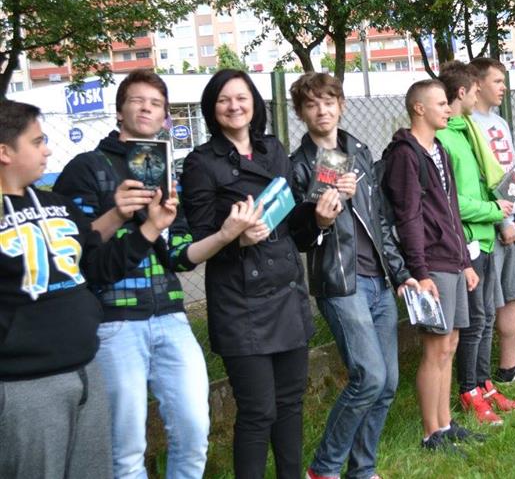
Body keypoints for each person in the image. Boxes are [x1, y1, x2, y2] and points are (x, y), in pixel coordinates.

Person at [54, 70, 219, 479]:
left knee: (194, 432)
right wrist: (119, 212)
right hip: (114, 321)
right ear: (118, 111)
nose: (146, 108)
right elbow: (72, 249)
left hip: (171, 314)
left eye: (156, 103)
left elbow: (179, 252)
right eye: (137, 100)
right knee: (126, 450)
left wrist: (219, 233)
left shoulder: (166, 172)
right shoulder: (86, 167)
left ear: (165, 118)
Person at [0, 100, 177, 479]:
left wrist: (150, 227)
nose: (47, 150)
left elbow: (97, 267)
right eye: (37, 142)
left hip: (87, 369)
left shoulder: (58, 205)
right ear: (5, 152)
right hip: (25, 386)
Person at [181, 70, 316, 479]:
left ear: (255, 102)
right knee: (258, 410)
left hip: (286, 291)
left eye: (241, 97)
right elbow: (199, 240)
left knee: (291, 404)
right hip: (240, 301)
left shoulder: (273, 149)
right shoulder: (201, 162)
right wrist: (235, 237)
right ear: (212, 107)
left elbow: (294, 223)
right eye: (224, 99)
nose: (234, 106)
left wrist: (320, 218)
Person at [288, 73, 418, 479]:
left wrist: (400, 273)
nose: (322, 110)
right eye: (311, 104)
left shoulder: (359, 151)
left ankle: (362, 470)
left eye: (328, 101)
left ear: (341, 105)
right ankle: (324, 469)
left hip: (379, 280)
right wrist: (320, 220)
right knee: (369, 376)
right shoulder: (297, 165)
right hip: (341, 283)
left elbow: (380, 220)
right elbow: (298, 237)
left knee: (388, 383)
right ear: (301, 113)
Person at [383, 79, 482, 452]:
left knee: (450, 343)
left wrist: (465, 261)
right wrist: (420, 273)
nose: (448, 108)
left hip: (452, 259)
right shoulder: (404, 154)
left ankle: (446, 423)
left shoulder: (439, 149)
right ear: (419, 108)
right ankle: (431, 434)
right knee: (435, 347)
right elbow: (408, 217)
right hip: (431, 263)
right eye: (441, 103)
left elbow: (450, 209)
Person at [436, 61, 515, 426]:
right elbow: (449, 200)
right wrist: (493, 210)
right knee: (473, 321)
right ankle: (468, 390)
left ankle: (485, 384)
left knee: (486, 316)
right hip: (468, 241)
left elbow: (486, 181)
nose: (479, 96)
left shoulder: (468, 132)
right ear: (463, 92)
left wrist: (511, 193)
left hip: (486, 239)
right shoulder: (444, 137)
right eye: (476, 90)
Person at [469, 57, 515, 384]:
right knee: (486, 304)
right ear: (477, 84)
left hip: (512, 223)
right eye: (497, 81)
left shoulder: (500, 123)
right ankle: (475, 380)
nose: (503, 88)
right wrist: (503, 223)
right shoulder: (467, 124)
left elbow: (512, 173)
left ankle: (508, 367)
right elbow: (479, 181)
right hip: (488, 227)